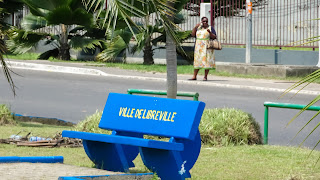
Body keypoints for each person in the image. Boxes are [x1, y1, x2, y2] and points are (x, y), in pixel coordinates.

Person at [189, 17, 216, 81]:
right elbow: (193, 35)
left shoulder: (210, 28)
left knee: (207, 61)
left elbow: (214, 37)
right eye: (204, 21)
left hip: (206, 47)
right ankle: (194, 76)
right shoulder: (198, 28)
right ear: (201, 22)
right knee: (197, 61)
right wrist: (195, 27)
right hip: (198, 47)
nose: (205, 23)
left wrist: (210, 33)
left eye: (206, 21)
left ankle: (205, 76)